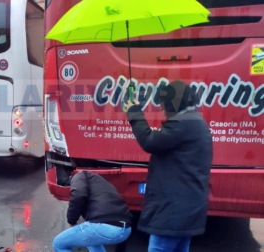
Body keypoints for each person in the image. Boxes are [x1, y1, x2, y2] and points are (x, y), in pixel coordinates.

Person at [124, 80, 213, 252]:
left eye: (164, 105)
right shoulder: (195, 121)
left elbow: (150, 142)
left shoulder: (183, 123)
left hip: (174, 211)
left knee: (159, 248)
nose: (163, 110)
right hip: (187, 208)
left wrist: (134, 112)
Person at [52, 170, 132, 252]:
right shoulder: (99, 182)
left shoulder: (79, 176)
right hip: (125, 230)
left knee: (58, 244)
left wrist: (71, 220)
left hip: (105, 227)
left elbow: (78, 195)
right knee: (92, 242)